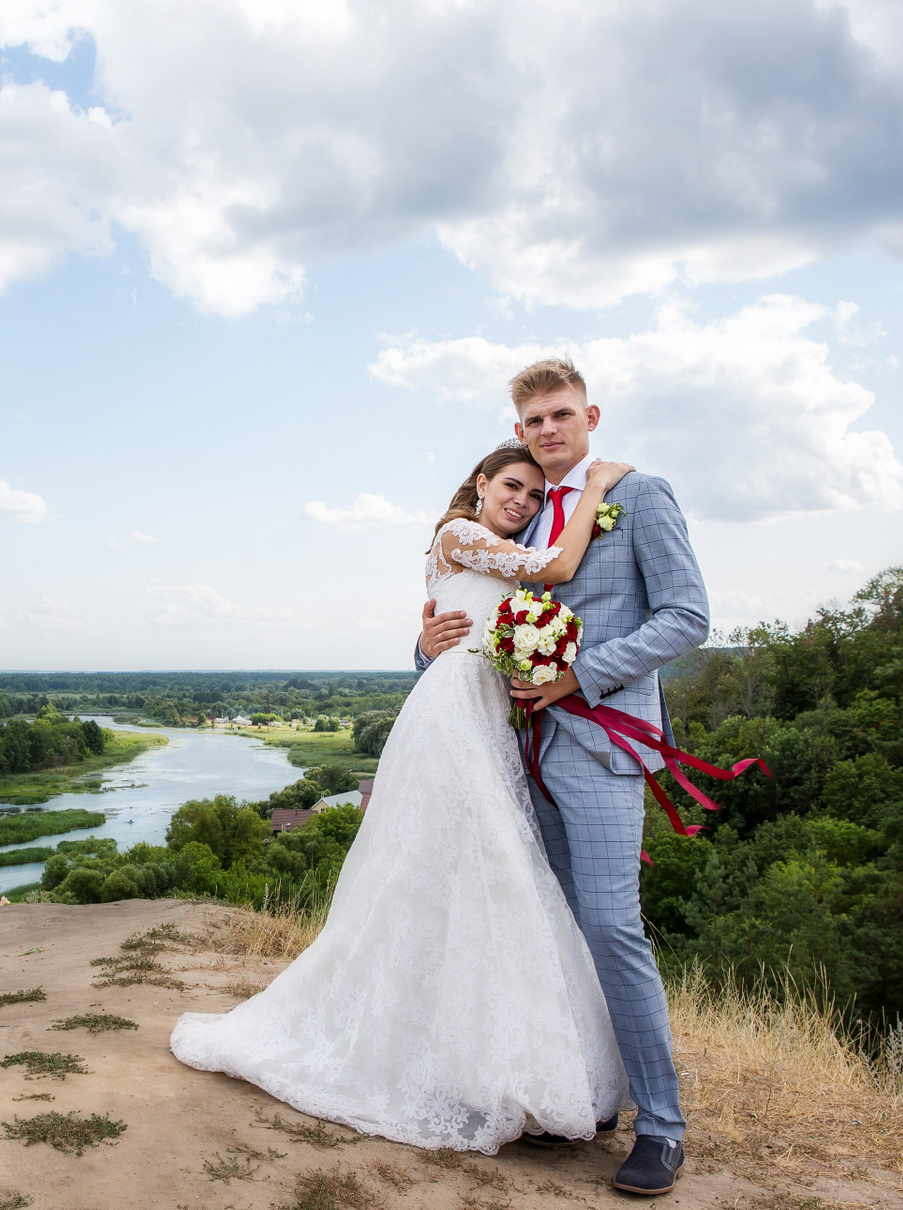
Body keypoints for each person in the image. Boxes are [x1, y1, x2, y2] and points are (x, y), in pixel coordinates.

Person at [169, 439, 639, 1160]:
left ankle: (482, 1060)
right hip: (450, 720)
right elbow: (555, 568)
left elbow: (480, 618)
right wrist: (599, 486)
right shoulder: (457, 535)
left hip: (489, 719)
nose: (523, 501)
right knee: (488, 871)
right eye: (512, 487)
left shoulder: (484, 546)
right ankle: (475, 1067)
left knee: (473, 883)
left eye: (536, 495)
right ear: (480, 484)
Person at [416, 358, 707, 1195]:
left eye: (562, 415)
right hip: (515, 752)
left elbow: (687, 616)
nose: (549, 429)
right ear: (518, 431)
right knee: (553, 928)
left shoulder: (638, 497)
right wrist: (424, 648)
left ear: (591, 416)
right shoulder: (523, 515)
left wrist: (581, 675)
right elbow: (468, 622)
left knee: (611, 927)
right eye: (535, 420)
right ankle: (585, 1095)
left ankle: (662, 1126)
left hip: (601, 743)